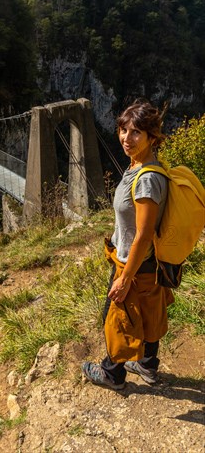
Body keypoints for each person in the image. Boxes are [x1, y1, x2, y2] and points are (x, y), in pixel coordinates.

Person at [82, 99, 174, 390]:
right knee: (149, 314)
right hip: (146, 264)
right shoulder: (139, 166)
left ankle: (112, 373)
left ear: (151, 137)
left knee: (118, 316)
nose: (126, 138)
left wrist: (124, 278)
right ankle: (146, 366)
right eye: (123, 130)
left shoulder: (147, 179)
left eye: (135, 132)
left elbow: (144, 234)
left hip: (134, 263)